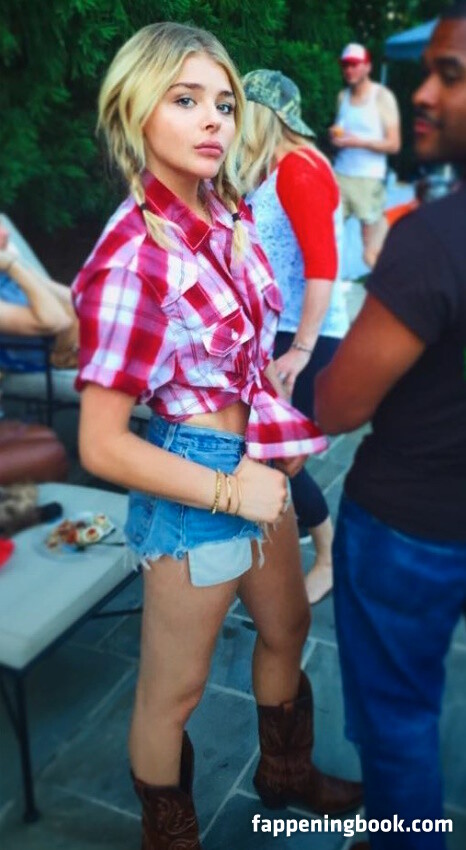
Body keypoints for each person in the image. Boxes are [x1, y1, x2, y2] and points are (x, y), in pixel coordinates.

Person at [72, 22, 362, 848]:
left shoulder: (225, 209)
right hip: (196, 483)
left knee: (289, 628)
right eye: (185, 99)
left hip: (254, 463)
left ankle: (285, 775)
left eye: (225, 104)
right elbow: (101, 445)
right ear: (134, 112)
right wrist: (232, 488)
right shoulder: (134, 255)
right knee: (175, 693)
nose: (214, 120)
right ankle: (171, 837)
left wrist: (274, 422)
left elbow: (240, 357)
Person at [315, 5, 466, 848]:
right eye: (427, 72)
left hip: (409, 528)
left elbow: (341, 406)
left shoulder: (433, 242)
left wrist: (302, 379)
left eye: (451, 74)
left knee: (398, 722)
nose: (425, 94)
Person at [238, 69, 349, 604]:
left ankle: (328, 559)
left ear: (260, 115)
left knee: (282, 452)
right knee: (272, 450)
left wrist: (300, 350)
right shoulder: (278, 166)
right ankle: (284, 542)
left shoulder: (299, 170)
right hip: (279, 333)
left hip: (302, 338)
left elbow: (323, 268)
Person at [330, 42, 401, 268]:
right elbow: (340, 132)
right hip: (340, 175)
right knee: (329, 237)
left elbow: (394, 144)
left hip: (368, 180)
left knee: (371, 249)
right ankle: (332, 287)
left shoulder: (382, 96)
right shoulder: (342, 96)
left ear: (367, 67)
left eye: (354, 64)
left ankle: (382, 287)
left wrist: (358, 142)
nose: (349, 69)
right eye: (345, 65)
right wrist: (335, 138)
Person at [0, 222, 78, 371]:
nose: (6, 233)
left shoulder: (9, 273)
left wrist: (21, 266)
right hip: (56, 364)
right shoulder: (11, 270)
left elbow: (82, 301)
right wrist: (12, 266)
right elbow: (56, 321)